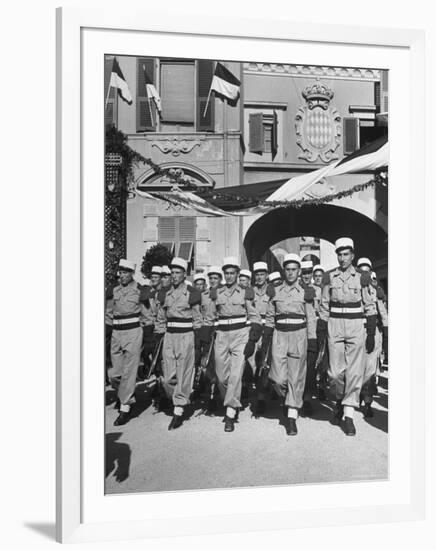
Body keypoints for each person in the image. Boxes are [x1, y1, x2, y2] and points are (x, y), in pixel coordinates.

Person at [317, 239, 377, 436]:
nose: (342, 258)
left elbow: (369, 305)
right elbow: (324, 304)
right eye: (339, 254)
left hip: (355, 325)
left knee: (354, 371)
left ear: (352, 255)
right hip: (335, 324)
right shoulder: (329, 277)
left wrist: (370, 332)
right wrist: (322, 328)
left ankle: (349, 415)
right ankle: (343, 399)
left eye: (346, 254)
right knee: (334, 373)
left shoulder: (362, 277)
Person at [261, 254, 317, 436]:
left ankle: (292, 416)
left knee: (296, 378)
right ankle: (288, 397)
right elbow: (270, 316)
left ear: (299, 271)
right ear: (283, 271)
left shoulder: (305, 291)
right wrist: (266, 339)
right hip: (279, 336)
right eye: (288, 269)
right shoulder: (274, 291)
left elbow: (311, 318)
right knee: (277, 378)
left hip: (299, 336)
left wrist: (312, 341)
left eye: (294, 269)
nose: (291, 273)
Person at [206, 257, 262, 432]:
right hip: (222, 335)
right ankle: (230, 399)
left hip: (240, 336)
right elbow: (210, 316)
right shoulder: (216, 293)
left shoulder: (246, 292)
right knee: (222, 376)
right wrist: (206, 336)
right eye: (226, 273)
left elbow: (254, 316)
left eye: (232, 273)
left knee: (236, 375)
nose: (229, 276)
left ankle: (230, 411)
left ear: (238, 274)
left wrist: (252, 338)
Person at [154, 257, 210, 430]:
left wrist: (198, 339)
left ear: (184, 274)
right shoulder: (165, 293)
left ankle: (179, 409)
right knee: (168, 376)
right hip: (170, 336)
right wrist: (158, 336)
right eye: (172, 273)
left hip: (186, 335)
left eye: (178, 273)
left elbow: (197, 318)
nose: (174, 276)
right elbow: (161, 317)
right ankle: (179, 397)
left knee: (184, 372)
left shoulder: (192, 293)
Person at [106, 259, 148, 426]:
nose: (122, 275)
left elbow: (147, 314)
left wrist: (143, 334)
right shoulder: (113, 290)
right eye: (120, 272)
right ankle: (124, 394)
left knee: (130, 371)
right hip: (117, 333)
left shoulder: (139, 291)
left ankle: (125, 407)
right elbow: (108, 313)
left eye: (125, 272)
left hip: (133, 333)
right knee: (114, 374)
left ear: (132, 274)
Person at [357, 258, 389, 417]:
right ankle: (355, 396)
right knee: (354, 367)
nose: (364, 274)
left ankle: (367, 401)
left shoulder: (376, 290)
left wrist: (386, 335)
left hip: (373, 331)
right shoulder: (353, 288)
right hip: (355, 330)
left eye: (367, 271)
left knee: (369, 369)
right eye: (361, 271)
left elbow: (383, 314)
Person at [246, 261, 271, 415]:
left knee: (265, 363)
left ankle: (262, 398)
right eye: (257, 274)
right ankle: (253, 391)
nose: (260, 277)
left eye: (262, 274)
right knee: (252, 362)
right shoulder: (250, 291)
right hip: (253, 329)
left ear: (267, 275)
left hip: (268, 329)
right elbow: (247, 309)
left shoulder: (273, 290)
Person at [299, 260, 319, 416]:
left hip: (314, 333)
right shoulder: (295, 289)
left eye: (309, 272)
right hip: (297, 333)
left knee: (310, 368)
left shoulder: (318, 290)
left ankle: (307, 400)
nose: (306, 275)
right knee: (296, 367)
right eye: (304, 272)